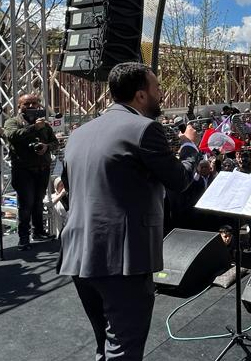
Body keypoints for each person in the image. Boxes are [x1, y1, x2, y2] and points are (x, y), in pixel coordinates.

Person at [59, 62, 200, 361]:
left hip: (77, 255)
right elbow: (179, 181)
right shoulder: (145, 129)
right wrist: (190, 148)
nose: (161, 95)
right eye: (157, 88)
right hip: (121, 260)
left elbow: (70, 188)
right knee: (124, 349)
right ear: (140, 96)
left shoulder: (79, 134)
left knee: (106, 345)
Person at [4, 93, 59, 250]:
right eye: (26, 104)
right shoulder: (12, 122)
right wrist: (34, 128)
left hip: (42, 169)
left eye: (34, 103)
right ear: (19, 106)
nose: (30, 106)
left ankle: (39, 232)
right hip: (23, 170)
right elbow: (12, 136)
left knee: (38, 202)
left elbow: (55, 142)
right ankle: (23, 237)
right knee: (26, 204)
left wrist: (47, 147)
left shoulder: (44, 124)